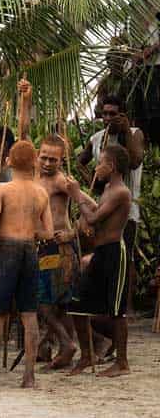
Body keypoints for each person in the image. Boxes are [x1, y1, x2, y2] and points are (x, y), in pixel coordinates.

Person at [0, 140, 51, 388]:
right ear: (35, 162)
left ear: (9, 162)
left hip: (6, 250)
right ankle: (29, 377)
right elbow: (47, 232)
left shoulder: (4, 189)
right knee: (29, 314)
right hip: (29, 250)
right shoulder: (41, 192)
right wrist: (28, 225)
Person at [68, 144, 132, 378]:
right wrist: (79, 194)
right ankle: (87, 355)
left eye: (100, 162)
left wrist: (76, 195)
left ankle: (122, 362)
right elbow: (96, 211)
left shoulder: (121, 192)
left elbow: (93, 218)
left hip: (115, 252)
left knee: (117, 311)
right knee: (77, 305)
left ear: (111, 166)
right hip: (101, 252)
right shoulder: (107, 190)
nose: (97, 167)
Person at [77, 94, 145, 307]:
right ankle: (107, 302)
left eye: (113, 114)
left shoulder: (134, 134)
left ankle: (126, 306)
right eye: (104, 114)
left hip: (127, 210)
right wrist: (94, 182)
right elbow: (80, 161)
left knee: (126, 258)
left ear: (123, 115)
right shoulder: (97, 138)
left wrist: (124, 130)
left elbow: (134, 162)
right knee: (102, 254)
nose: (108, 118)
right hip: (102, 207)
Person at [36, 134, 88, 369]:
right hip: (41, 247)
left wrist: (72, 233)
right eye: (44, 158)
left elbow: (91, 208)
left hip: (60, 247)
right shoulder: (33, 176)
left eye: (53, 160)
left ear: (62, 159)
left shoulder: (62, 181)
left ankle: (67, 345)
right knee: (53, 302)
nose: (47, 163)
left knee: (48, 302)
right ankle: (57, 346)